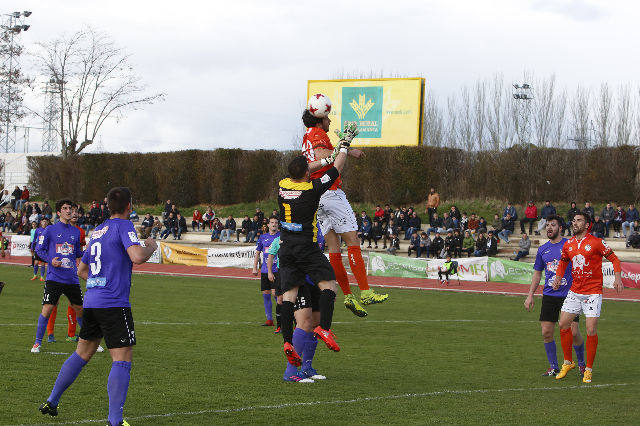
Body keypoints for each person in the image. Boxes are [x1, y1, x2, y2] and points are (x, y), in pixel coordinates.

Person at [38, 187, 157, 424]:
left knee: (82, 353)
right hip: (114, 303)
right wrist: (151, 246)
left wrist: (98, 281)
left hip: (92, 300)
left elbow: (82, 270)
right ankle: (115, 420)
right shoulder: (124, 226)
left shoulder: (98, 231)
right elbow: (137, 256)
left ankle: (52, 400)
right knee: (122, 359)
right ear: (129, 206)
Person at [302, 107, 387, 318]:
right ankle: (366, 292)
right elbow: (326, 157)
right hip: (331, 192)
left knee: (333, 248)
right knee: (352, 240)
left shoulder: (307, 136)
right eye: (327, 118)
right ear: (320, 119)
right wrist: (345, 144)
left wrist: (348, 150)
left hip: (318, 195)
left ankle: (349, 295)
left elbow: (325, 154)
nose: (330, 121)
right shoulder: (318, 133)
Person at [277, 150, 349, 367]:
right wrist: (343, 147)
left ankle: (287, 342)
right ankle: (324, 329)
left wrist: (325, 159)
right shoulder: (311, 189)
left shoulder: (282, 186)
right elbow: (337, 170)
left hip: (286, 248)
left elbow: (310, 168)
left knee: (289, 297)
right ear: (307, 174)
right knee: (329, 285)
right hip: (306, 247)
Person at [551, 212, 623, 383]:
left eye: (579, 220)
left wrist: (618, 278)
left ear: (587, 225)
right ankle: (568, 362)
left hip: (593, 292)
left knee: (590, 329)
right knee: (562, 324)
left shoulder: (596, 242)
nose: (574, 223)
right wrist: (559, 277)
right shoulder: (568, 244)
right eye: (574, 220)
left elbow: (614, 259)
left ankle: (588, 369)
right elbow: (563, 262)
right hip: (575, 291)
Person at [523, 215, 585, 377]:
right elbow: (537, 274)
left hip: (569, 296)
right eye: (547, 225)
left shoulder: (570, 245)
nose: (549, 228)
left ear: (561, 228)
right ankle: (554, 367)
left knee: (572, 332)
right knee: (546, 332)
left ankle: (581, 364)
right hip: (549, 295)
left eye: (553, 225)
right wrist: (530, 295)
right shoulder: (543, 250)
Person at [31, 200, 84, 354]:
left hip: (72, 279)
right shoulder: (50, 230)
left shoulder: (76, 232)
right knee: (47, 309)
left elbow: (77, 253)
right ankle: (37, 343)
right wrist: (50, 260)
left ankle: (89, 340)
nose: (69, 211)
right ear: (59, 213)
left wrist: (89, 253)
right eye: (65, 208)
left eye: (71, 209)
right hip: (54, 278)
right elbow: (38, 250)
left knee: (80, 310)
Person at [252, 217, 281, 327]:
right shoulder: (262, 237)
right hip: (265, 270)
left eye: (276, 223)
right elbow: (257, 253)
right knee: (266, 294)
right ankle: (269, 320)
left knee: (276, 294)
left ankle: (285, 316)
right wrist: (255, 267)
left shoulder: (281, 237)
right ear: (268, 225)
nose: (274, 224)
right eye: (272, 222)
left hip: (277, 270)